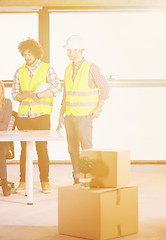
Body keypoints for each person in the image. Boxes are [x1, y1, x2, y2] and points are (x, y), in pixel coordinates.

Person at [56, 35, 110, 184]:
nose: (68, 53)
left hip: (84, 116)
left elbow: (104, 88)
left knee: (86, 148)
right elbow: (66, 94)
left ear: (79, 50)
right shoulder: (68, 69)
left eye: (70, 51)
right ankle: (77, 176)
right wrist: (61, 114)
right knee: (72, 149)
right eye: (67, 51)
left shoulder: (91, 67)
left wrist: (99, 109)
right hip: (70, 116)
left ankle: (89, 176)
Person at [12, 39, 62, 194]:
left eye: (29, 53)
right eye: (24, 54)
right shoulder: (19, 72)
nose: (27, 57)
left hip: (41, 116)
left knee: (42, 149)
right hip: (23, 117)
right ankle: (23, 182)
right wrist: (28, 94)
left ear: (36, 53)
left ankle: (45, 182)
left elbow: (57, 88)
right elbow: (15, 94)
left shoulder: (47, 69)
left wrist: (38, 95)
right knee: (24, 151)